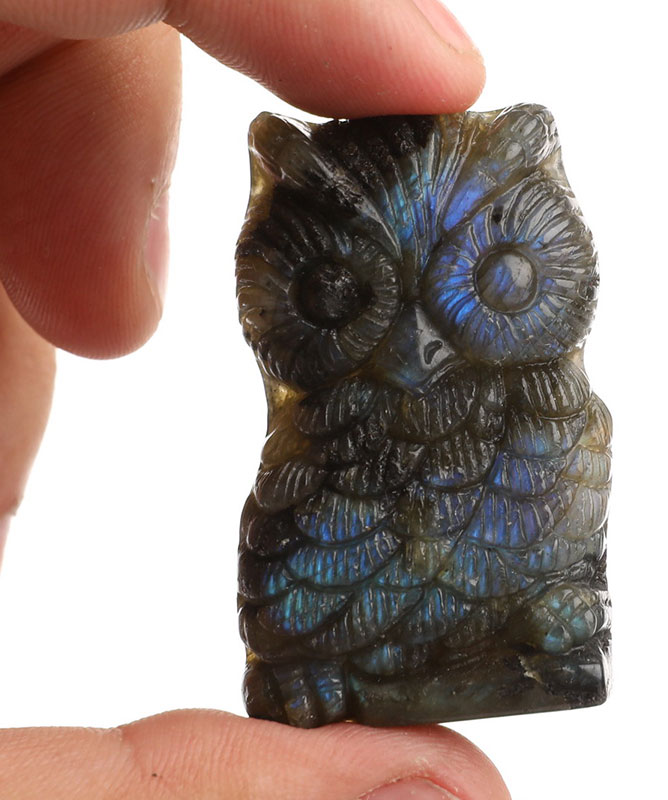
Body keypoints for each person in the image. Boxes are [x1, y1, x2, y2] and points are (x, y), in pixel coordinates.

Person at [0, 1, 512, 798]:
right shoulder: (325, 436)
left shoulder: (544, 418)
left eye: (496, 279)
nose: (419, 343)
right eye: (339, 290)